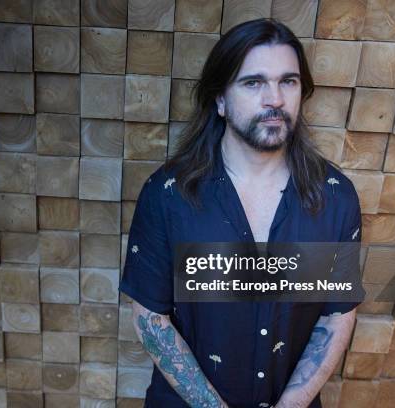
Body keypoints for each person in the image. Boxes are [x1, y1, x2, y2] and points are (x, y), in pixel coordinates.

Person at [119, 18, 365, 408]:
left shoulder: (334, 199)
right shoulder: (169, 196)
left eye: (288, 81)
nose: (275, 99)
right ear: (220, 99)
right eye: (253, 83)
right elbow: (152, 319)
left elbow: (336, 317)